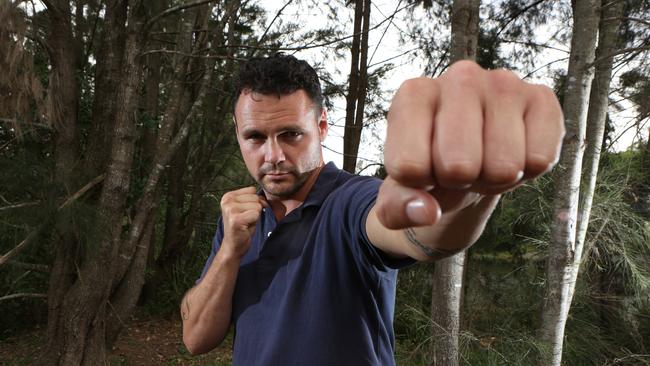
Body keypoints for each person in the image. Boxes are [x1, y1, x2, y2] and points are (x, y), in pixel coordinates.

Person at [180, 54, 564, 365]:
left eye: (291, 134)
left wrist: (466, 192)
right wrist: (230, 250)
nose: (274, 155)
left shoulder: (351, 200)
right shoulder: (240, 218)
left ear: (323, 126)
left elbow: (415, 234)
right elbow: (196, 339)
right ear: (237, 132)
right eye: (256, 138)